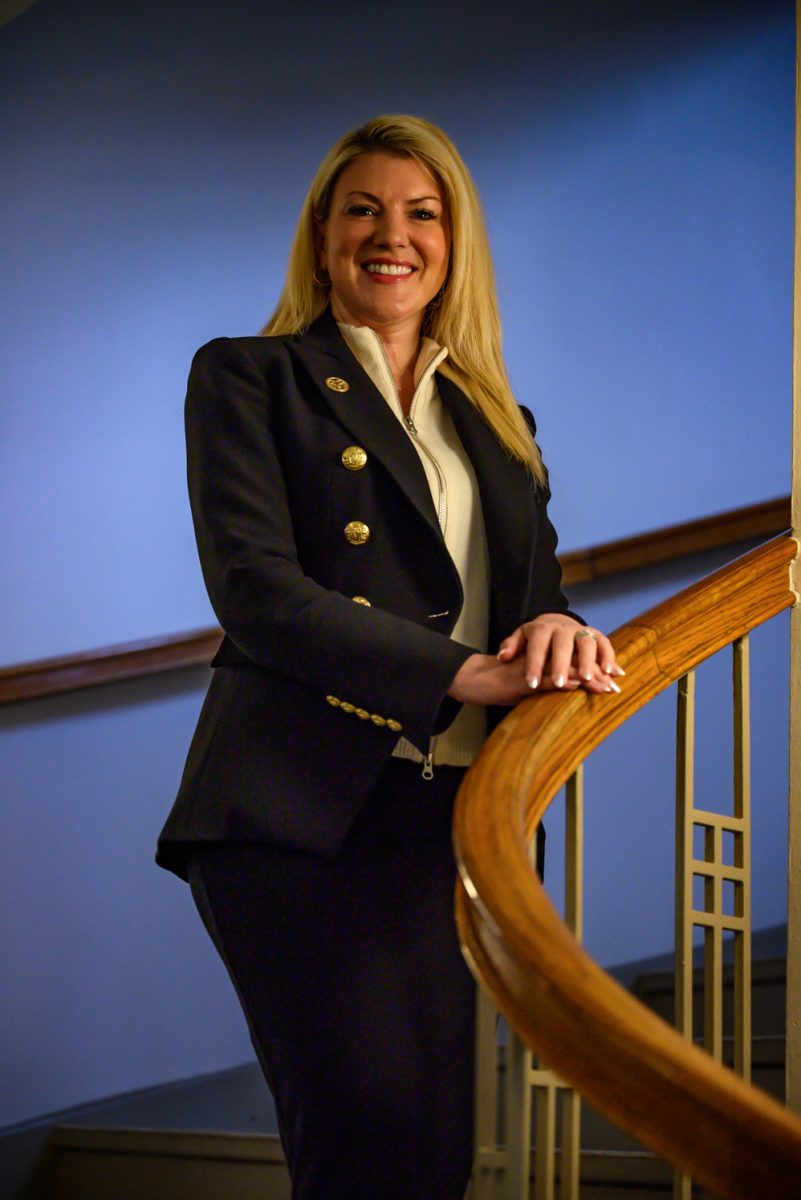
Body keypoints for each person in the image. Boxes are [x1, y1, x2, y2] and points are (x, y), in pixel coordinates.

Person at [156, 114, 622, 1200]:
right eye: (361, 208)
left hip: (460, 817)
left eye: (422, 212)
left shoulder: (504, 423)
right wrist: (459, 673)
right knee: (361, 1135)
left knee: (434, 1154)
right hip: (300, 809)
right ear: (322, 237)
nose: (390, 233)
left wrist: (560, 630)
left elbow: (532, 604)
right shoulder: (247, 378)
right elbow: (258, 595)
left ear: (454, 241)